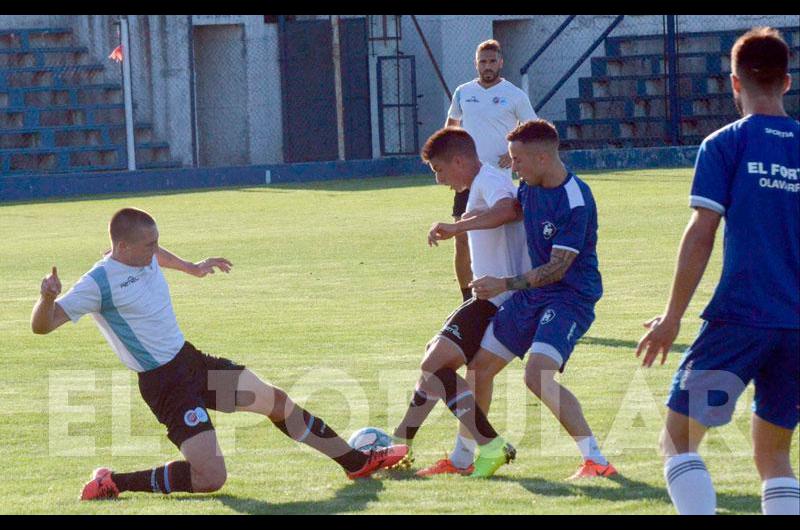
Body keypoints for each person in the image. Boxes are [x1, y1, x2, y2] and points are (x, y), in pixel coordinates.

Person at [31, 208, 408, 501]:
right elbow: (42, 326)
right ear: (123, 248)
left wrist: (191, 267)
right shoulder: (96, 284)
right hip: (165, 385)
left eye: (155, 242)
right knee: (211, 479)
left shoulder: (140, 254)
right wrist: (47, 297)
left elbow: (157, 253)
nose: (154, 250)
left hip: (191, 362)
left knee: (276, 402)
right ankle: (113, 482)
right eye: (148, 245)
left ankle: (356, 464)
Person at [635, 27, 799, 515]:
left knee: (677, 442)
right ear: (786, 82)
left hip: (740, 322)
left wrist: (671, 317)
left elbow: (701, 232)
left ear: (733, 82)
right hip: (796, 331)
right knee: (775, 457)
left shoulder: (725, 143)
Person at [469, 119, 617, 480]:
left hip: (569, 298)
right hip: (534, 295)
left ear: (541, 158)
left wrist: (501, 282)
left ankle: (596, 461)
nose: (512, 167)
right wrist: (458, 225)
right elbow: (507, 213)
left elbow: (556, 270)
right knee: (478, 369)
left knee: (537, 375)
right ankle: (468, 456)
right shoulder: (529, 187)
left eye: (517, 160)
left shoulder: (575, 200)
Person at [390, 126, 529, 478]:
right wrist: (461, 226)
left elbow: (510, 209)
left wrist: (457, 228)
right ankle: (426, 451)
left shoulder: (489, 178)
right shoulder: (479, 185)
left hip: (498, 296)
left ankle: (481, 445)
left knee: (435, 363)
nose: (439, 180)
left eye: (438, 170)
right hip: (487, 296)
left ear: (458, 160)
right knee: (444, 365)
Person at [446, 39, 538, 304]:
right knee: (461, 238)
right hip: (467, 181)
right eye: (482, 61)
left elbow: (533, 131)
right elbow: (451, 128)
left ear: (500, 62)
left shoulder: (515, 95)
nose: (487, 66)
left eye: (492, 61)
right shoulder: (463, 92)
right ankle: (467, 300)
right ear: (476, 63)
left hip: (499, 182)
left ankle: (514, 295)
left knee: (508, 240)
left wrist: (514, 156)